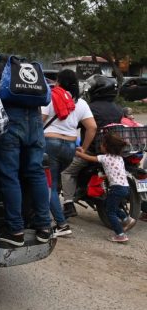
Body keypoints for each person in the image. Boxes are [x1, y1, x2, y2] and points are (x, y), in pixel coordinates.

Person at [0, 58, 52, 247]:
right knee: (36, 172)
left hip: (12, 124)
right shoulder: (30, 81)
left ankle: (15, 230)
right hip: (34, 122)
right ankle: (44, 226)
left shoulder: (2, 75)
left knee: (10, 176)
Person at [42, 69, 97, 237]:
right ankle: (51, 213)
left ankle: (61, 224)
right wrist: (84, 148)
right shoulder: (81, 103)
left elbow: (40, 122)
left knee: (48, 185)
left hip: (50, 144)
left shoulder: (51, 96)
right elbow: (92, 127)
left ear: (59, 82)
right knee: (55, 181)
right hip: (70, 147)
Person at [61, 75, 124, 218]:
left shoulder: (90, 108)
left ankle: (68, 204)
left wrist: (82, 148)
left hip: (92, 151)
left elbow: (75, 125)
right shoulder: (118, 109)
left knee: (67, 171)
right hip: (113, 150)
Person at [75, 132, 137, 242]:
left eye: (102, 144)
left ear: (107, 147)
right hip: (125, 187)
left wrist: (79, 153)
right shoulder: (119, 158)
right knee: (108, 204)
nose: (100, 146)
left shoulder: (104, 158)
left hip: (116, 189)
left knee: (110, 212)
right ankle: (127, 219)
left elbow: (89, 158)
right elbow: (115, 171)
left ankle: (120, 234)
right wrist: (104, 176)